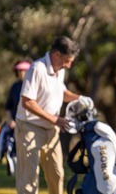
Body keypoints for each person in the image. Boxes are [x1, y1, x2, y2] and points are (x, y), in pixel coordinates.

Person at [15, 36, 94, 194]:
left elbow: (61, 93)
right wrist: (55, 119)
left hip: (51, 130)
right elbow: (27, 101)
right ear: (57, 55)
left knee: (57, 174)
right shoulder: (37, 68)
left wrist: (80, 98)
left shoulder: (60, 71)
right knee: (29, 177)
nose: (69, 65)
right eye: (68, 60)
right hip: (29, 128)